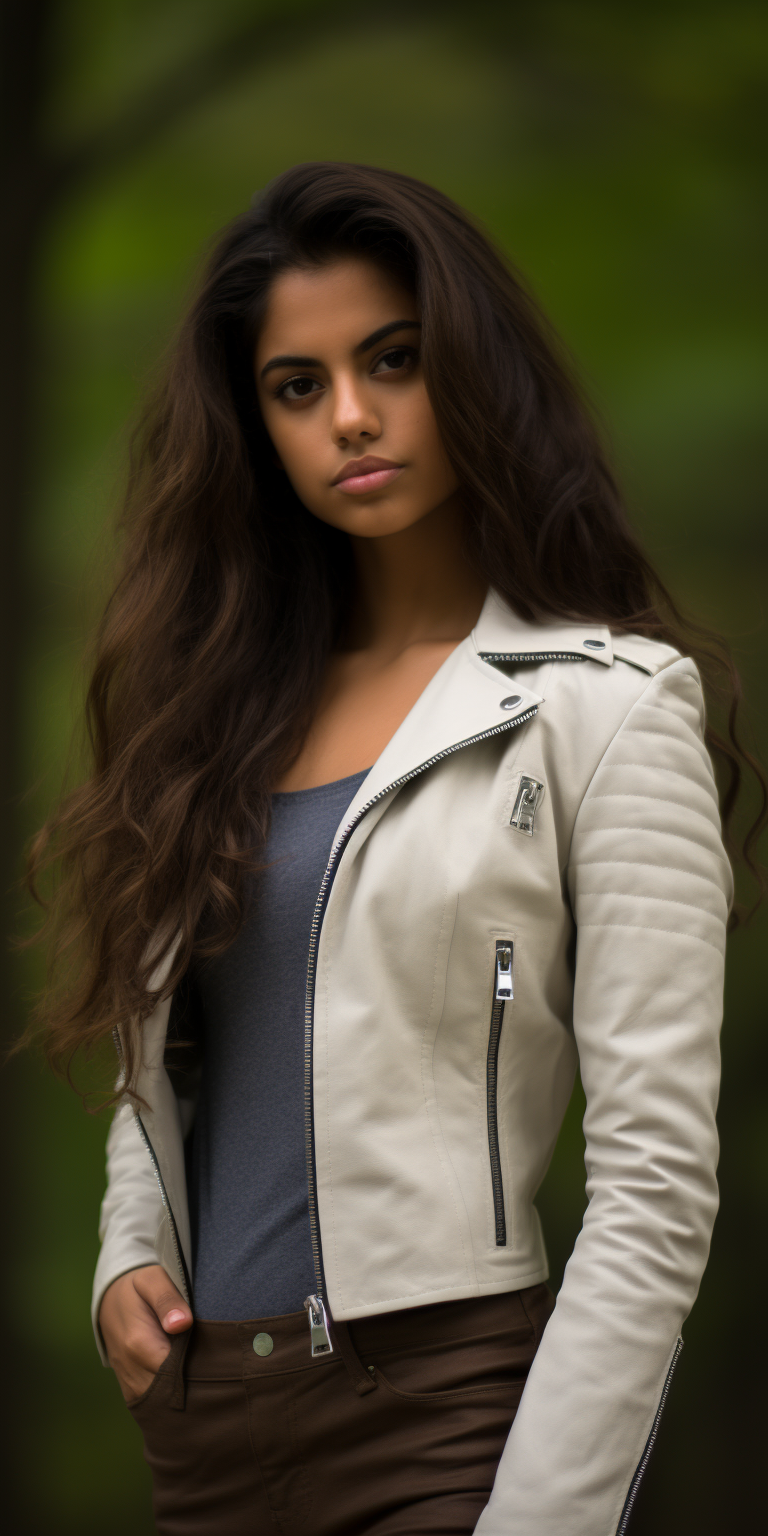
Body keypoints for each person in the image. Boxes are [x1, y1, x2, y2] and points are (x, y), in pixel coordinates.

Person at [28, 162, 764, 1535]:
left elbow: (657, 1186)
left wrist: (544, 1517)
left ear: (472, 371)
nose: (350, 418)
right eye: (296, 386)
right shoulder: (216, 722)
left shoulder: (605, 709)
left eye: (394, 360)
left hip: (440, 1426)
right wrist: (129, 1253)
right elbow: (177, 1059)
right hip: (203, 1440)